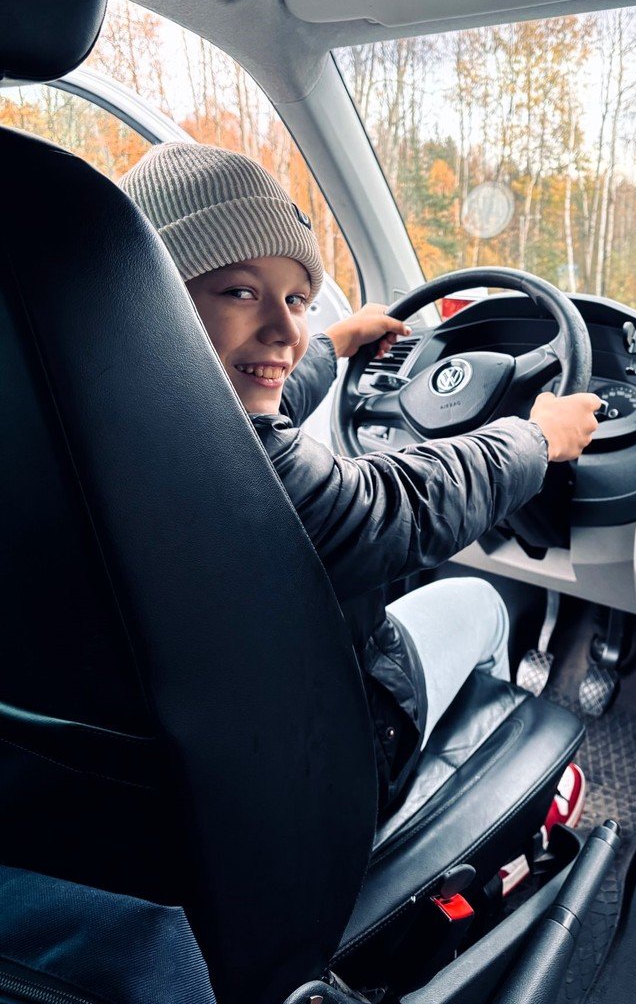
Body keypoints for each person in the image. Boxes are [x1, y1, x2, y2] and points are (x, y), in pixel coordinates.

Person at [120, 142, 601, 814]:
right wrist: (539, 436)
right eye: (240, 292)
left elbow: (262, 396)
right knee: (485, 606)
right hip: (330, 757)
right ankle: (496, 799)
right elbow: (401, 506)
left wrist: (336, 342)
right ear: (153, 298)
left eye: (297, 299)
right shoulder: (240, 477)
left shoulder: (122, 422)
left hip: (201, 749)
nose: (286, 331)